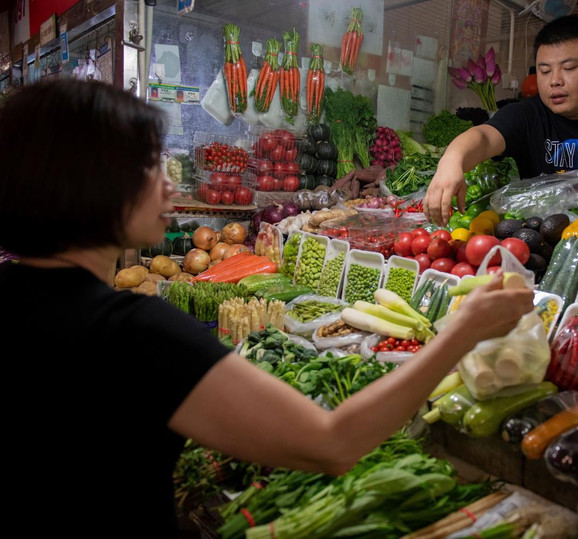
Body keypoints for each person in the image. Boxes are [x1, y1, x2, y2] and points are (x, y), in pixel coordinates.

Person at [0, 79, 535, 536]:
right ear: (87, 182)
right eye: (146, 166)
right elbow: (331, 443)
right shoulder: (132, 333)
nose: (167, 183)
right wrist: (459, 336)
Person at [424, 15, 578, 227]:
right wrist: (452, 160)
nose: (555, 80)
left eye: (568, 68)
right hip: (547, 240)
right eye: (544, 71)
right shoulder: (529, 114)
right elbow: (484, 136)